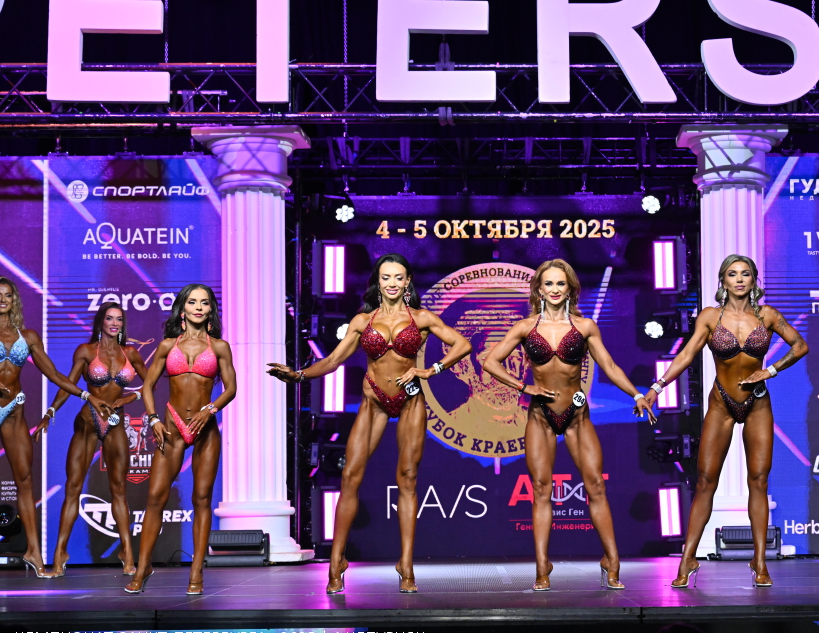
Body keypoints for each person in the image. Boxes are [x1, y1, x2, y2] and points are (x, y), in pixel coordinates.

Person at [268, 253, 470, 594]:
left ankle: (406, 564)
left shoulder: (422, 318)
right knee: (350, 476)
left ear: (407, 282)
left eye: (398, 277)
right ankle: (337, 562)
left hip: (410, 400)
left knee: (407, 478)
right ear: (378, 281)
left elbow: (462, 344)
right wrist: (298, 375)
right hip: (374, 400)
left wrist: (430, 370)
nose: (392, 283)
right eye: (386, 277)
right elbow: (332, 361)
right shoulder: (362, 321)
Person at [483, 258, 656, 591]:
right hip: (540, 416)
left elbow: (610, 366)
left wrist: (636, 395)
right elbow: (490, 361)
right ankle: (542, 568)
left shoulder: (585, 326)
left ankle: (612, 561)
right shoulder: (525, 327)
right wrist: (524, 387)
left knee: (596, 486)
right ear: (539, 289)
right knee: (541, 490)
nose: (554, 289)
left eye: (560, 283)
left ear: (570, 288)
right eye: (548, 283)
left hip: (577, 416)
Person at [652, 254, 808, 589]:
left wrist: (771, 369)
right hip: (722, 404)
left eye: (745, 274)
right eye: (733, 274)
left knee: (759, 481)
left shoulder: (767, 315)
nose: (739, 279)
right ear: (723, 280)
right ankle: (688, 558)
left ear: (753, 280)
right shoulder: (710, 317)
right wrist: (657, 387)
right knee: (706, 481)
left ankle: (759, 561)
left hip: (757, 403)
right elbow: (686, 354)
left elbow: (800, 345)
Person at [124, 284, 237, 595]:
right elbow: (147, 387)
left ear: (210, 310)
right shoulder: (167, 346)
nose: (198, 307)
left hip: (205, 428)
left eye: (204, 302)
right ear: (183, 309)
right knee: (155, 498)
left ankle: (196, 571)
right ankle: (143, 566)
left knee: (201, 499)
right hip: (172, 426)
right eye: (192, 302)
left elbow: (230, 388)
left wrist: (210, 409)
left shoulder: (220, 347)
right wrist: (153, 419)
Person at [0, 277, 107, 578]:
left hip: (13, 411)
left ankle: (34, 553)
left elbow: (56, 375)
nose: (2, 300)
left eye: (7, 295)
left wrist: (87, 395)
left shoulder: (28, 337)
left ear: (14, 300)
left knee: (24, 480)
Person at [35, 303, 148, 577]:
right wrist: (49, 413)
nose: (115, 323)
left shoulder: (131, 353)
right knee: (73, 487)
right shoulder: (86, 351)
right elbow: (67, 384)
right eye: (110, 318)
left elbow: (152, 382)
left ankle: (127, 554)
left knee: (118, 489)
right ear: (101, 322)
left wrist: (131, 397)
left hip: (116, 422)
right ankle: (60, 555)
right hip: (88, 421)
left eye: (119, 319)